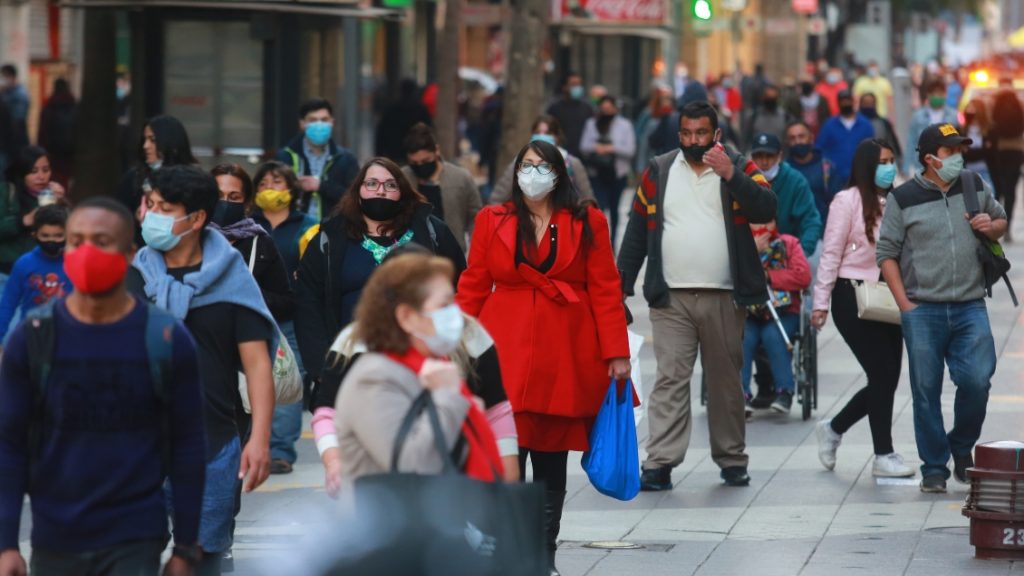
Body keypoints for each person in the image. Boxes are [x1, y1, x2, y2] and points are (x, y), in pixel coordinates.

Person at [0, 197, 206, 576]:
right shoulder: (32, 338)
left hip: (135, 537)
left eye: (101, 240)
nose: (86, 251)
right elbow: (9, 444)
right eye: (76, 241)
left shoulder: (165, 337)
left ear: (129, 253)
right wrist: (6, 543)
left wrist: (186, 546)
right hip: (54, 538)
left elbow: (188, 445)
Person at [457, 138, 630, 576]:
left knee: (552, 461)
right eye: (526, 165)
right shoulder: (491, 219)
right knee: (504, 455)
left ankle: (543, 556)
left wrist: (617, 353)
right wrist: (452, 344)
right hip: (504, 348)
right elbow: (473, 284)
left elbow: (606, 288)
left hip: (565, 352)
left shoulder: (587, 221)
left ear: (559, 173)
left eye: (542, 166)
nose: (532, 174)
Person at [617, 101, 776, 491]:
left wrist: (731, 174)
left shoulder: (737, 164)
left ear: (716, 134)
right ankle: (660, 463)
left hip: (725, 295)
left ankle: (732, 459)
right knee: (671, 378)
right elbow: (637, 231)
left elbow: (766, 207)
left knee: (725, 381)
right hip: (670, 296)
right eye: (686, 133)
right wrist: (618, 289)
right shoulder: (659, 170)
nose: (693, 140)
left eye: (701, 133)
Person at [127, 165, 277, 572]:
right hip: (137, 442)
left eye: (165, 208)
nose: (151, 216)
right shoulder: (134, 277)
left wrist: (260, 438)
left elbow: (257, 362)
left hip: (213, 441)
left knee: (207, 557)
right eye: (151, 205)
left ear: (196, 219)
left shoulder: (231, 279)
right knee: (131, 552)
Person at [312, 243, 519, 497]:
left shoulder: (462, 341)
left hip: (451, 507)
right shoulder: (372, 372)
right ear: (407, 315)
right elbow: (411, 463)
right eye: (442, 306)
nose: (454, 315)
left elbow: (496, 409)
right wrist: (448, 398)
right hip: (393, 520)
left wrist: (505, 481)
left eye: (451, 301)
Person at [876, 123, 1006, 493]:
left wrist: (991, 225)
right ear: (930, 158)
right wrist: (905, 304)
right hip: (924, 309)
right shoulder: (904, 198)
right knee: (925, 389)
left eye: (960, 149)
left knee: (977, 380)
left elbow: (1000, 220)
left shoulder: (973, 185)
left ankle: (961, 447)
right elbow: (886, 253)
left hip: (969, 305)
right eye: (951, 151)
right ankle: (934, 466)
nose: (959, 157)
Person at [294, 158, 466, 397]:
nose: (381, 191)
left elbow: (461, 288)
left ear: (402, 192)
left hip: (421, 367)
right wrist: (322, 367)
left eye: (390, 185)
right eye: (372, 183)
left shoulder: (432, 231)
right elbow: (307, 303)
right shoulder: (330, 238)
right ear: (358, 191)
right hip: (347, 367)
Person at [811, 139, 914, 478]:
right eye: (882, 161)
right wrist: (820, 303)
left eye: (891, 160)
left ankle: (835, 428)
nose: (888, 167)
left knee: (887, 376)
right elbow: (831, 253)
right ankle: (883, 454)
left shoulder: (896, 201)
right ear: (867, 165)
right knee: (882, 373)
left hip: (888, 295)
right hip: (851, 296)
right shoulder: (847, 201)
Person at [210, 163, 294, 323]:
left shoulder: (260, 242)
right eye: (218, 195)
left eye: (234, 197)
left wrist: (249, 292)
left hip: (245, 337)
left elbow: (286, 304)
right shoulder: (191, 238)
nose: (225, 202)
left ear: (247, 202)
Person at [741, 221, 811, 413]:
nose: (761, 227)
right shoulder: (740, 245)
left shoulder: (789, 243)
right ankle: (741, 393)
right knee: (743, 337)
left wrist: (770, 276)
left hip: (785, 312)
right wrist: (751, 251)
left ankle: (784, 391)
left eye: (766, 221)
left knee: (773, 335)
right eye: (755, 222)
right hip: (751, 313)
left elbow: (803, 277)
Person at [116, 115, 199, 242]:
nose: (145, 146)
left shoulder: (193, 181)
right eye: (145, 139)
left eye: (152, 140)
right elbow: (118, 217)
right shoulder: (134, 177)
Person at [401, 123, 482, 252]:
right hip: (412, 253)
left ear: (436, 151)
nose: (420, 166)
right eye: (414, 163)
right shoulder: (402, 178)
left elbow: (475, 215)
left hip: (452, 252)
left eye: (425, 161)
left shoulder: (460, 177)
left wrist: (475, 246)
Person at [274, 98, 359, 221]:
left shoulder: (346, 159)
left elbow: (355, 198)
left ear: (332, 122)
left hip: (333, 231)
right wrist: (294, 186)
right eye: (313, 120)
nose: (319, 125)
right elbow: (272, 194)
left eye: (324, 120)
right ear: (302, 124)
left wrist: (321, 186)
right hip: (294, 229)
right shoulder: (285, 157)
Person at [1, 146, 67, 295]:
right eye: (33, 171)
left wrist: (62, 203)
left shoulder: (52, 197)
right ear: (21, 172)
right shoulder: (6, 192)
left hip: (40, 278)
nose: (41, 177)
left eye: (46, 170)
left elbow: (69, 231)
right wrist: (23, 221)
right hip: (5, 275)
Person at [0, 205, 70, 345]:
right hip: (29, 337)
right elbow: (8, 303)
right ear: (35, 235)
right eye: (45, 235)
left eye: (58, 235)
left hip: (67, 338)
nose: (52, 240)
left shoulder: (76, 263)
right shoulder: (24, 263)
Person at [490, 115, 593, 205]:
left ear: (557, 136)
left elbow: (588, 198)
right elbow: (499, 196)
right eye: (538, 132)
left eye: (547, 133)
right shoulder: (521, 162)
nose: (542, 136)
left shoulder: (571, 163)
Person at [749, 132, 822, 256]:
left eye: (769, 156)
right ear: (752, 158)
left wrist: (801, 254)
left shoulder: (796, 181)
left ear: (780, 156)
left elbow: (811, 221)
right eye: (759, 156)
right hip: (752, 254)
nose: (764, 162)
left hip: (788, 254)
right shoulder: (744, 181)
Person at [579, 95, 636, 242]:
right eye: (603, 109)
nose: (607, 112)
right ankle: (599, 241)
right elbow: (583, 146)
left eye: (610, 109)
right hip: (597, 173)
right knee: (599, 208)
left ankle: (613, 241)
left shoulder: (625, 125)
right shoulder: (591, 124)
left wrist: (612, 148)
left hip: (617, 174)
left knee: (615, 209)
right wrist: (596, 148)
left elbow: (630, 150)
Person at [816, 90, 875, 188]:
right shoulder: (829, 125)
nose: (845, 103)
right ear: (838, 103)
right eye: (842, 101)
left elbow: (872, 149)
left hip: (861, 177)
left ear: (853, 102)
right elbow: (819, 149)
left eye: (848, 100)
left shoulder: (865, 124)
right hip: (835, 178)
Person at [786, 121, 839, 224]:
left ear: (811, 138)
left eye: (801, 136)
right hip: (790, 236)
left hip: (822, 232)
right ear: (787, 142)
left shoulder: (827, 168)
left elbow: (837, 205)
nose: (797, 141)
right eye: (792, 138)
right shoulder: (783, 170)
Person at [987, 87, 1024, 234]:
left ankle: (997, 220)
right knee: (1011, 190)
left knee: (998, 188)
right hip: (1016, 151)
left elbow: (991, 128)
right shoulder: (1019, 107)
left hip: (999, 152)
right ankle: (1008, 225)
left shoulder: (996, 106)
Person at [905, 81, 958, 175]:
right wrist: (907, 166)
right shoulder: (918, 116)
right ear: (928, 95)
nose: (937, 97)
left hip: (947, 165)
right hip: (922, 166)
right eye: (934, 94)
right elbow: (911, 141)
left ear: (945, 95)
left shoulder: (953, 115)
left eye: (939, 94)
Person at [374, 79, 433, 163]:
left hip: (395, 153)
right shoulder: (420, 109)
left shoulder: (392, 109)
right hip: (415, 153)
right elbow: (428, 131)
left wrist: (379, 155)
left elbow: (381, 133)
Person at [36, 79, 77, 189]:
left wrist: (40, 151)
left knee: (54, 177)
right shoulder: (75, 107)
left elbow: (43, 132)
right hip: (70, 152)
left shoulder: (49, 107)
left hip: (52, 151)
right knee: (67, 177)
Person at [546, 73, 593, 158]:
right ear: (564, 87)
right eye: (573, 84)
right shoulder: (555, 107)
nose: (577, 87)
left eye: (579, 84)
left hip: (584, 155)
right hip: (561, 153)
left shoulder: (587, 107)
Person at [859, 93, 902, 168]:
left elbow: (892, 143)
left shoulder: (883, 123)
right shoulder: (855, 125)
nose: (868, 106)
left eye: (870, 103)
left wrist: (898, 163)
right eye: (865, 103)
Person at [742, 84, 792, 150]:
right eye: (768, 97)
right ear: (763, 97)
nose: (770, 100)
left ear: (778, 98)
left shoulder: (786, 117)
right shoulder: (754, 116)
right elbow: (746, 139)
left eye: (773, 97)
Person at [961, 98, 993, 189]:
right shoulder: (962, 131)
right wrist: (983, 151)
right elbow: (964, 154)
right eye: (968, 108)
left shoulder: (989, 131)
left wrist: (970, 151)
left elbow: (990, 154)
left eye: (973, 108)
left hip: (985, 172)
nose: (969, 111)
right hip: (967, 172)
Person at [0, 65, 28, 150]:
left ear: (11, 76)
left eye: (4, 76)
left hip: (15, 139)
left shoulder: (20, 93)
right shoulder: (6, 92)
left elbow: (18, 117)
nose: (3, 79)